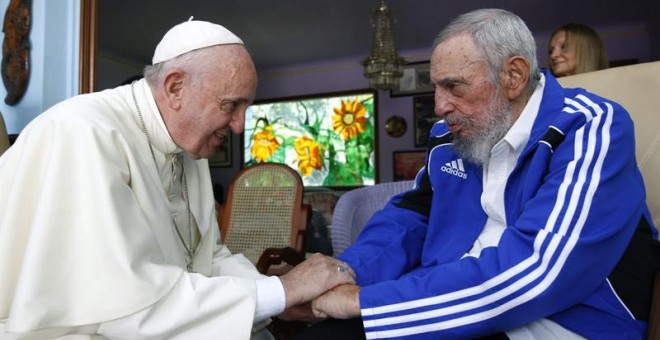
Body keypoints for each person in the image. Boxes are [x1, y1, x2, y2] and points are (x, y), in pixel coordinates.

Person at [295, 8, 659, 339]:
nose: (439, 107)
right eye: (436, 87)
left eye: (453, 86)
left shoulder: (590, 126)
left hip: (565, 317)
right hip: (457, 295)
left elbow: (539, 269)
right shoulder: (451, 136)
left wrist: (368, 303)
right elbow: (411, 217)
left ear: (513, 76)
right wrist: (343, 273)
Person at [0, 19, 355, 339]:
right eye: (231, 105)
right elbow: (121, 306)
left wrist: (274, 296)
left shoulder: (186, 145)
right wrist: (281, 292)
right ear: (174, 88)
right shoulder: (83, 133)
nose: (239, 126)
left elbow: (208, 258)